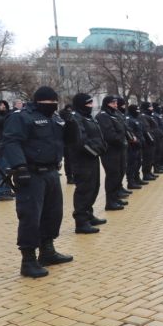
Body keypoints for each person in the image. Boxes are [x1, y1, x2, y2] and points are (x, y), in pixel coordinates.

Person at [0, 86, 74, 278]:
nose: (53, 105)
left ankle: (47, 251)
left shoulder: (55, 118)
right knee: (30, 216)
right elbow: (10, 141)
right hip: (31, 173)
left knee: (53, 213)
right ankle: (28, 260)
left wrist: (72, 125)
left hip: (51, 172)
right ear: (39, 101)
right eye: (50, 102)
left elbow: (66, 141)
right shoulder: (21, 117)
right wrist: (19, 166)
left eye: (55, 102)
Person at [64, 94, 108, 234]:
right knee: (84, 189)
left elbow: (98, 135)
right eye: (88, 104)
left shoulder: (89, 117)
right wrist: (95, 150)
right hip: (82, 160)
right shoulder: (76, 118)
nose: (91, 106)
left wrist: (102, 146)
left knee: (94, 187)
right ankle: (81, 222)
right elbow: (80, 141)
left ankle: (89, 214)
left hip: (92, 158)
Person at [96, 96, 129, 211]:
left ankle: (115, 198)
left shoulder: (114, 114)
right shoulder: (103, 116)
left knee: (119, 173)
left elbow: (123, 129)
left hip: (119, 149)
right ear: (107, 104)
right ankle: (110, 202)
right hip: (110, 150)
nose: (115, 105)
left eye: (115, 103)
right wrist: (121, 140)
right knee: (112, 175)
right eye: (113, 103)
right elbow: (109, 134)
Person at [125, 104, 147, 186]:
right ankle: (131, 181)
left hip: (138, 144)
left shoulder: (136, 118)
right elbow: (130, 132)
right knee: (132, 164)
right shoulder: (129, 119)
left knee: (138, 163)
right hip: (132, 145)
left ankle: (137, 178)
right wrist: (135, 140)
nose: (138, 112)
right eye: (136, 110)